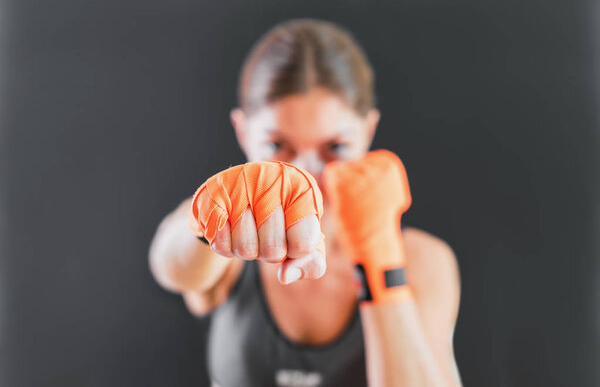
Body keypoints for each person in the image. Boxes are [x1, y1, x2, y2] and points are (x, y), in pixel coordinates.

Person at [149, 19, 461, 387]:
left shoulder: (421, 260)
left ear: (368, 130)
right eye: (278, 146)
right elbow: (171, 265)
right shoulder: (231, 241)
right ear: (243, 132)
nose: (306, 177)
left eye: (336, 148)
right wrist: (210, 218)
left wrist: (380, 261)